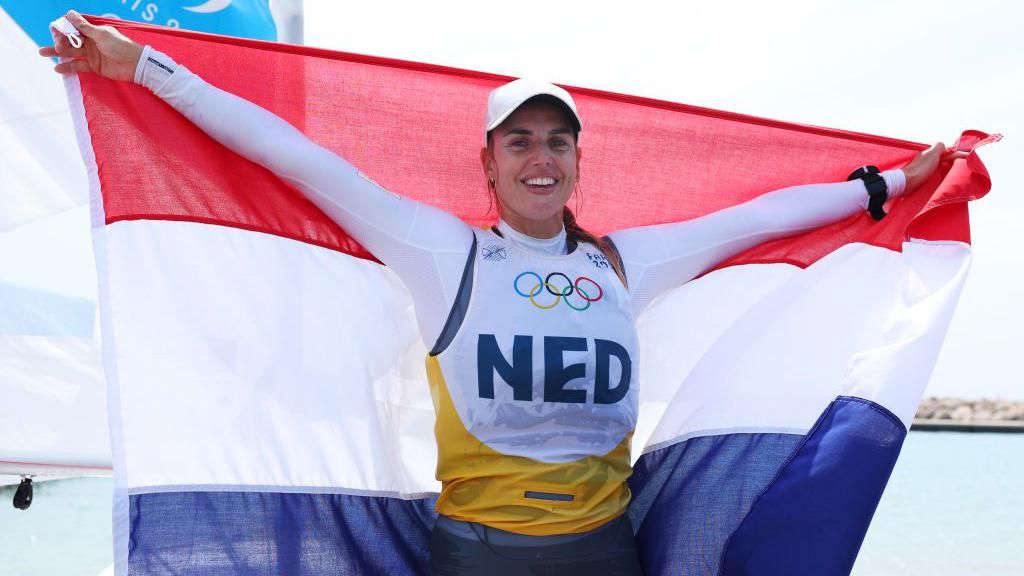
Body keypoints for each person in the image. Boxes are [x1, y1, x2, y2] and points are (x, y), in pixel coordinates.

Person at [42, 11, 966, 575]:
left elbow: (759, 217)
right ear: (487, 164)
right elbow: (293, 155)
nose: (540, 156)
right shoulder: (440, 251)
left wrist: (883, 185)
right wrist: (146, 71)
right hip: (475, 558)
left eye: (556, 142)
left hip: (605, 553)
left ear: (575, 163)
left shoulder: (624, 263)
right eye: (519, 141)